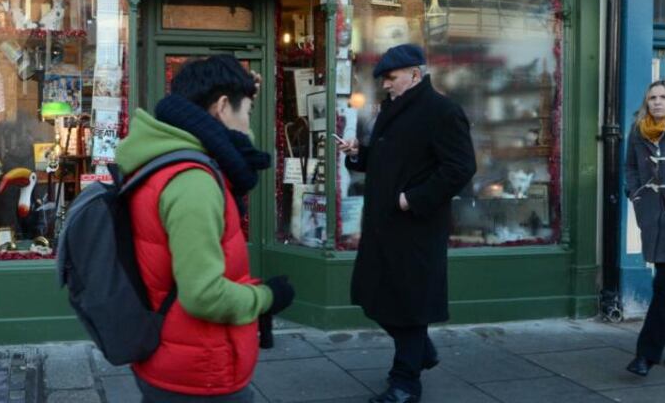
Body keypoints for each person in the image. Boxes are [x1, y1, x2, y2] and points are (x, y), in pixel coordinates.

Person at [115, 55, 295, 402]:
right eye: (247, 113)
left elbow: (236, 153)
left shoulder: (165, 156)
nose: (248, 124)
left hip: (174, 358)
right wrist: (266, 298)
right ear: (223, 106)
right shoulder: (193, 181)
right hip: (199, 372)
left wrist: (241, 103)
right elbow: (203, 295)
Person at [337, 44, 476, 403]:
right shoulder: (393, 110)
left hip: (415, 228)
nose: (385, 84)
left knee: (409, 306)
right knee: (373, 294)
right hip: (383, 226)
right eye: (384, 79)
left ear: (415, 75)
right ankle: (421, 351)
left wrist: (413, 199)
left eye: (391, 78)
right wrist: (358, 154)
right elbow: (389, 161)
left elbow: (460, 168)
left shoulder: (442, 111)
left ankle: (405, 383)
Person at [625, 79, 665, 377]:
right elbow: (629, 167)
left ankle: (646, 356)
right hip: (655, 216)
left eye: (664, 97)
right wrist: (635, 193)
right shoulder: (638, 131)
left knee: (663, 287)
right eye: (652, 97)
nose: (657, 102)